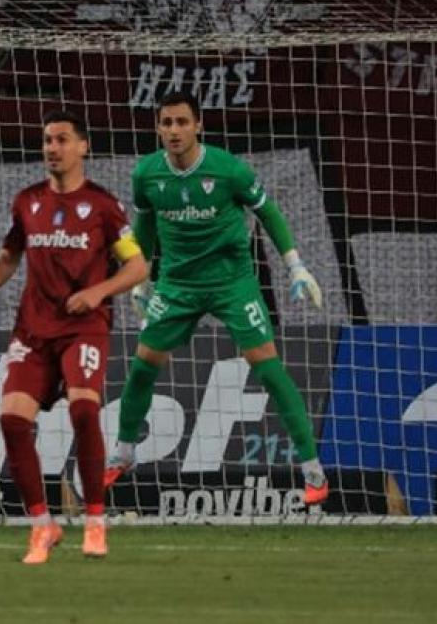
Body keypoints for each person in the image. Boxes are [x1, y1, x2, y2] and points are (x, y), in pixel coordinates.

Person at [105, 91, 329, 508]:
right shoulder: (146, 174)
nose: (174, 130)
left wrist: (295, 265)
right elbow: (146, 225)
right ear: (158, 128)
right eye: (167, 123)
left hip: (232, 283)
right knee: (143, 364)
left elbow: (269, 213)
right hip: (177, 285)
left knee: (267, 366)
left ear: (198, 125)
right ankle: (124, 451)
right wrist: (141, 280)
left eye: (182, 122)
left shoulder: (228, 170)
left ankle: (312, 468)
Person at [0, 111, 147, 564]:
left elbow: (138, 266)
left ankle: (95, 522)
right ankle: (43, 525)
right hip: (33, 329)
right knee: (11, 420)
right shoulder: (27, 201)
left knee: (84, 410)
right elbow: (10, 255)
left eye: (62, 140)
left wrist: (98, 292)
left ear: (83, 147)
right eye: (47, 140)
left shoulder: (103, 206)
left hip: (84, 327)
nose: (52, 148)